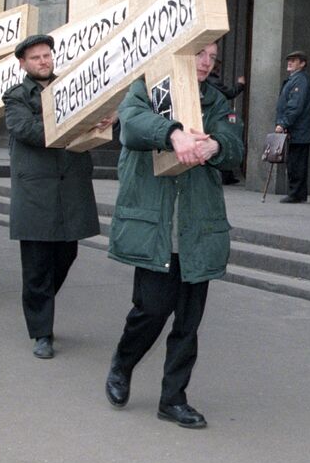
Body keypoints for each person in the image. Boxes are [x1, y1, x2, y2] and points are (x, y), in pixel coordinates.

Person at [104, 42, 245, 429]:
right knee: (150, 310)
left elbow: (234, 145)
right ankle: (124, 361)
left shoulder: (215, 100)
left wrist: (216, 144)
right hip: (157, 229)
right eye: (200, 52)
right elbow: (131, 126)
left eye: (213, 56)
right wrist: (173, 133)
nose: (206, 62)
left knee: (188, 322)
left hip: (198, 230)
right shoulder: (148, 88)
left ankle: (173, 399)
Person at [3, 34, 111, 359]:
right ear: (23, 63)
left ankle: (40, 303)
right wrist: (72, 124)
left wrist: (103, 121)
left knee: (67, 255)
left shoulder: (71, 86)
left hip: (71, 188)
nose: (43, 61)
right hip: (36, 191)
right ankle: (41, 332)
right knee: (36, 264)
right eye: (35, 58)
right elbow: (26, 130)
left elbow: (96, 118)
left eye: (47, 55)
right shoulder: (16, 96)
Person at [273, 49, 310, 203]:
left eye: (294, 60)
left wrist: (283, 123)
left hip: (298, 130)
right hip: (298, 130)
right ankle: (298, 193)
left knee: (296, 163)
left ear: (302, 64)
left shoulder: (300, 80)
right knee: (295, 161)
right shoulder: (295, 79)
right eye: (289, 60)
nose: (289, 63)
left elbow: (295, 105)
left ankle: (296, 194)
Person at [206, 61, 245, 185]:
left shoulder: (208, 81)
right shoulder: (213, 81)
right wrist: (240, 84)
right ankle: (226, 176)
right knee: (223, 139)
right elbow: (230, 93)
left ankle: (227, 175)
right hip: (217, 117)